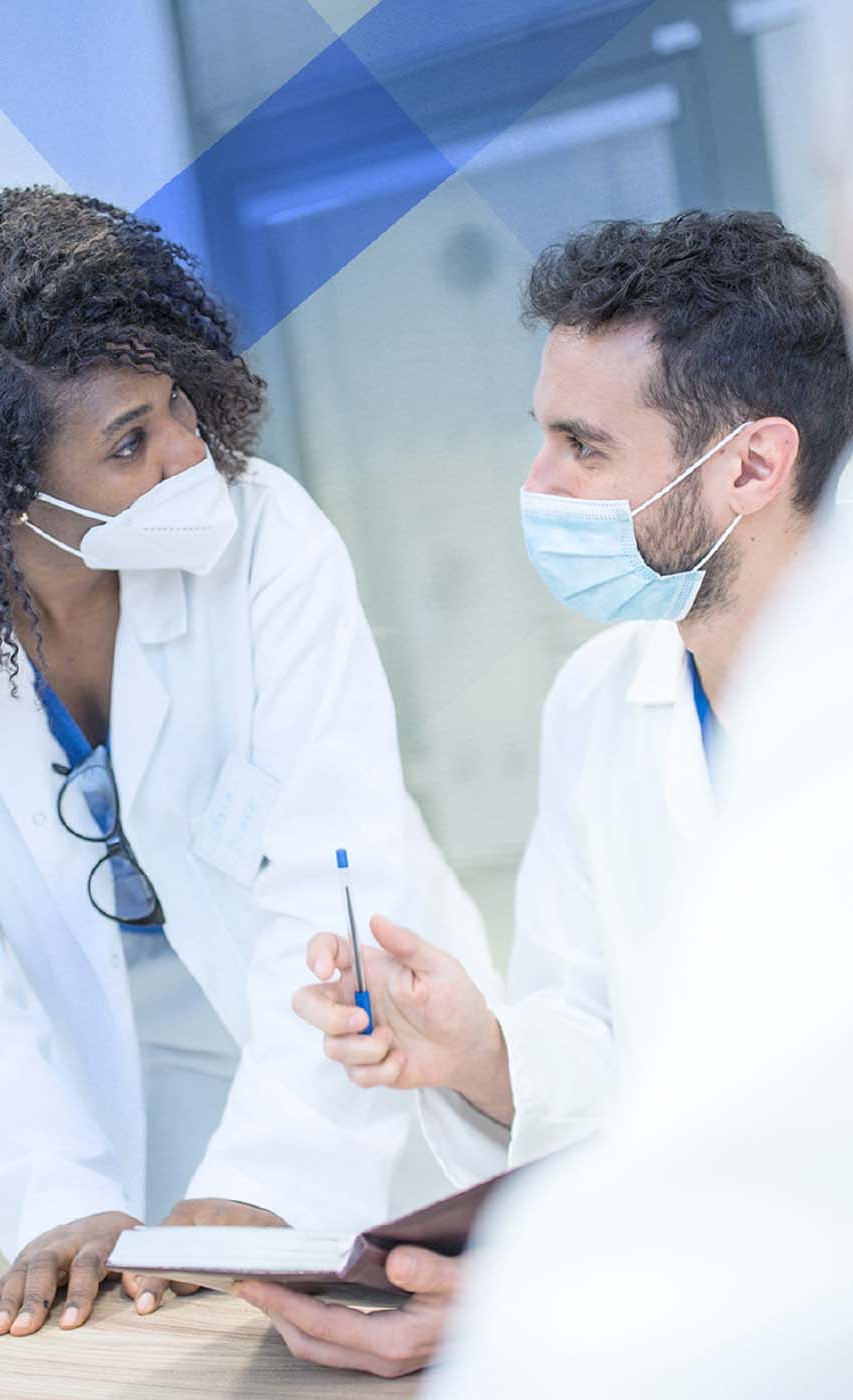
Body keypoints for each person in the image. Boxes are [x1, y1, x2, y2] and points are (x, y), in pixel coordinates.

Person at [0, 186, 499, 1339]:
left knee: (371, 1311)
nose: (193, 453)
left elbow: (336, 869)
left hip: (330, 1053)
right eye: (130, 442)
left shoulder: (267, 544)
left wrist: (272, 1173)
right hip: (127, 1073)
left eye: (175, 406)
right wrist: (55, 1198)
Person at [238, 209, 853, 1375]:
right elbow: (614, 1042)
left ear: (754, 467)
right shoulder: (598, 699)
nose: (535, 484)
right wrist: (480, 1050)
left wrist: (565, 1299)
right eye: (541, 436)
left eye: (583, 445)